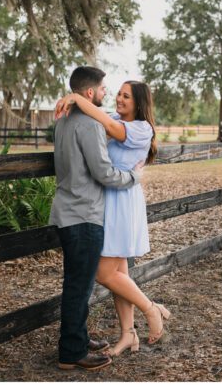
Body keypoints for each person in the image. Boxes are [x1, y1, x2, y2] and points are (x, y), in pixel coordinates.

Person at [55, 80, 171, 357]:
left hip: (122, 200)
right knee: (120, 273)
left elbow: (106, 125)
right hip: (106, 199)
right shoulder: (116, 119)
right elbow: (101, 122)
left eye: (126, 96)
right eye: (118, 93)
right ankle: (128, 334)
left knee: (104, 273)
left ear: (139, 103)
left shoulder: (141, 129)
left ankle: (150, 309)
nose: (119, 99)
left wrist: (75, 97)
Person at [49, 66, 145, 371]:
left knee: (76, 282)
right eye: (104, 89)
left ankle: (78, 337)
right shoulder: (90, 125)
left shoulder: (63, 120)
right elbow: (103, 172)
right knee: (79, 286)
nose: (107, 93)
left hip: (66, 209)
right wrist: (132, 177)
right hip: (84, 214)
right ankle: (71, 352)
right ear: (89, 93)